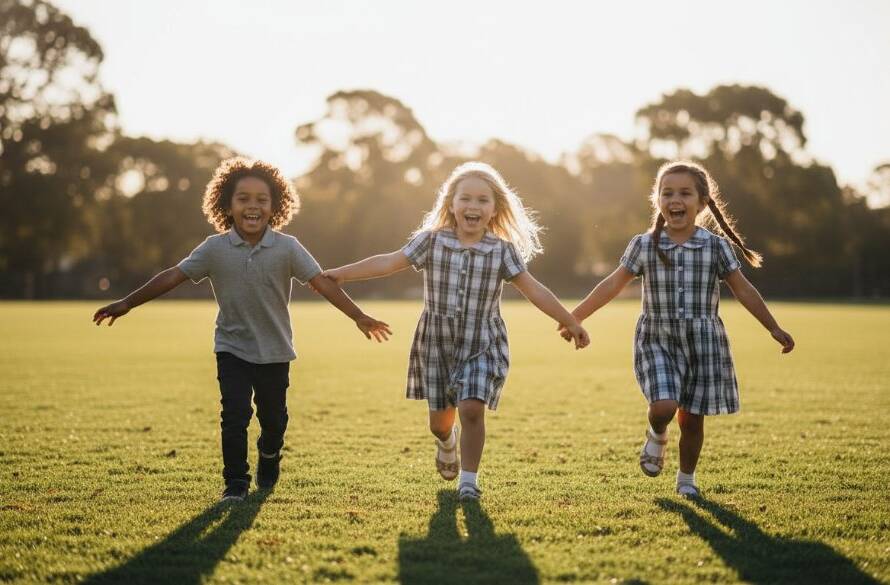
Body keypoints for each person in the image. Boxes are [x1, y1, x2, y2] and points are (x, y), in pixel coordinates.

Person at [93, 157, 391, 502]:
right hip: (231, 347)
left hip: (275, 350)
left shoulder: (288, 247)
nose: (253, 206)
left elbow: (321, 283)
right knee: (234, 416)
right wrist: (127, 303)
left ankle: (269, 455)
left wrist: (357, 315)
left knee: (274, 420)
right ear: (227, 205)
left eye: (262, 200)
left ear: (275, 206)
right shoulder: (214, 248)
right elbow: (172, 276)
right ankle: (235, 483)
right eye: (243, 199)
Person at [323, 161, 589, 501]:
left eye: (482, 200)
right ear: (451, 204)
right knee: (439, 423)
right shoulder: (430, 242)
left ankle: (469, 481)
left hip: (483, 342)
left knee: (472, 408)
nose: (473, 207)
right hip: (436, 343)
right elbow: (389, 262)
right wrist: (343, 274)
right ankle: (447, 443)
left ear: (494, 209)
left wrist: (570, 320)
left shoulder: (502, 251)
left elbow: (534, 289)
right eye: (466, 199)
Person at [560, 160, 794, 498]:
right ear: (657, 200)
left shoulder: (716, 247)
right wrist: (575, 317)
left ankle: (686, 480)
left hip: (704, 342)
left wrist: (772, 327)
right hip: (658, 339)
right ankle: (657, 434)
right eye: (667, 193)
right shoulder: (643, 245)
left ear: (701, 203)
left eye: (685, 193)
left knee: (693, 420)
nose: (675, 199)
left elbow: (743, 289)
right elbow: (613, 284)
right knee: (665, 406)